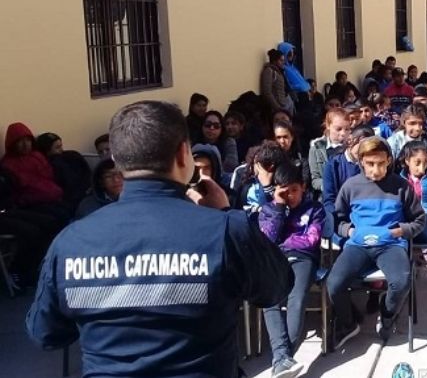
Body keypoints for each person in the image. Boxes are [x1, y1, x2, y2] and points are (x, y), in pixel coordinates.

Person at [26, 100, 292, 377]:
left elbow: (45, 333)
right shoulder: (224, 230)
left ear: (116, 161)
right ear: (183, 154)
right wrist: (224, 212)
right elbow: (277, 287)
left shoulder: (70, 242)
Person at [326, 136, 426, 349]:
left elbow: (420, 220)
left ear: (389, 160)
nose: (376, 169)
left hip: (390, 245)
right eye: (370, 164)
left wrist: (401, 231)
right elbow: (337, 219)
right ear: (361, 161)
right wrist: (349, 231)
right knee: (333, 284)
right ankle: (348, 323)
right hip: (358, 245)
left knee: (401, 281)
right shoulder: (351, 186)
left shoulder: (401, 186)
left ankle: (388, 316)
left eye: (381, 163)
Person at [258, 162, 323, 378]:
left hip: (303, 259)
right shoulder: (269, 209)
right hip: (276, 260)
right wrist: (278, 207)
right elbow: (268, 238)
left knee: (296, 299)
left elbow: (311, 240)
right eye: (284, 191)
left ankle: (284, 357)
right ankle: (282, 359)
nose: (290, 196)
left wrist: (285, 243)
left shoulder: (314, 208)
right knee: (270, 300)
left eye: (294, 190)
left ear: (303, 187)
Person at [322, 125, 372, 245]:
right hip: (340, 218)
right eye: (361, 144)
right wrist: (341, 222)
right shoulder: (333, 165)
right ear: (351, 141)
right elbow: (329, 199)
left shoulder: (370, 167)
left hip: (365, 217)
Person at [308, 108, 350, 196]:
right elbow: (315, 179)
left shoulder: (351, 148)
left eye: (347, 129)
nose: (343, 133)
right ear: (328, 125)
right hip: (327, 197)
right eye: (338, 129)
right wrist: (328, 186)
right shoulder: (316, 148)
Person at [273, 121, 311, 189]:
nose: (282, 141)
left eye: (285, 137)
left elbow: (305, 177)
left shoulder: (301, 155)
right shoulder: (271, 157)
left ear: (292, 137)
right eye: (278, 137)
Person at [260, 48, 294, 116]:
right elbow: (267, 92)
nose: (283, 63)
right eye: (281, 60)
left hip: (285, 102)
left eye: (283, 60)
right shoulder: (269, 71)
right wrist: (277, 107)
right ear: (275, 61)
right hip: (278, 105)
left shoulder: (279, 71)